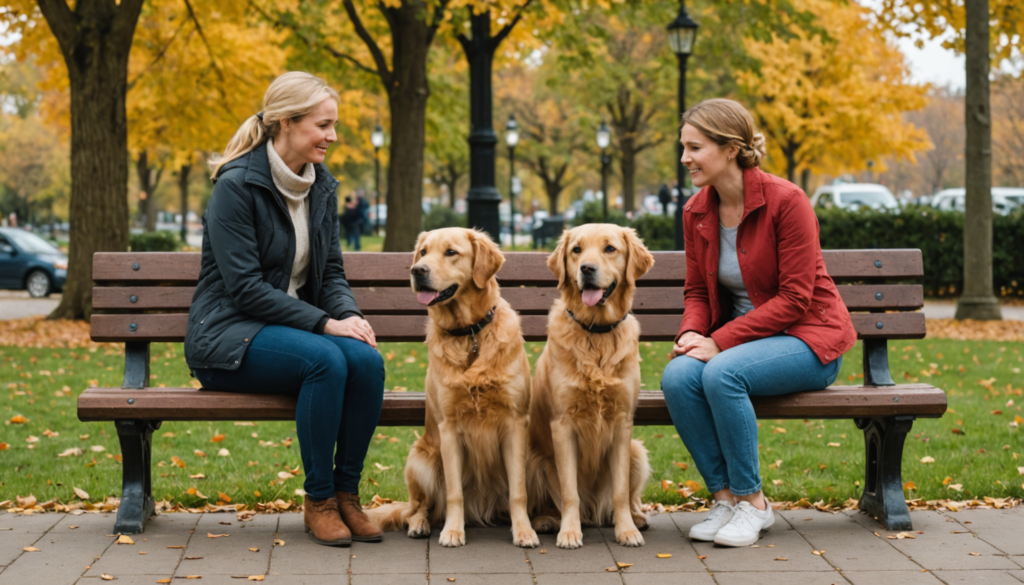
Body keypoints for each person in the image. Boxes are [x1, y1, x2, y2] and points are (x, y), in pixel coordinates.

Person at [185, 71, 385, 547]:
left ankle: (346, 493)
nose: (332, 136)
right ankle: (318, 501)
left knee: (366, 361)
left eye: (333, 125)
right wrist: (326, 324)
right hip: (228, 335)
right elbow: (246, 289)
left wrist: (349, 318)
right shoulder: (236, 186)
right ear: (286, 123)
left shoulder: (320, 188)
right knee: (325, 359)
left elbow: (331, 272)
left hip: (289, 329)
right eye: (323, 125)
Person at [660, 98, 856, 547]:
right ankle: (726, 498)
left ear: (730, 149)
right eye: (683, 147)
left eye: (694, 147)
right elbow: (696, 291)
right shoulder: (696, 211)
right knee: (678, 375)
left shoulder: (787, 201)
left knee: (722, 372)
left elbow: (795, 298)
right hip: (742, 343)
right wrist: (692, 332)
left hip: (808, 340)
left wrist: (720, 341)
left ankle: (754, 504)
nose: (685, 158)